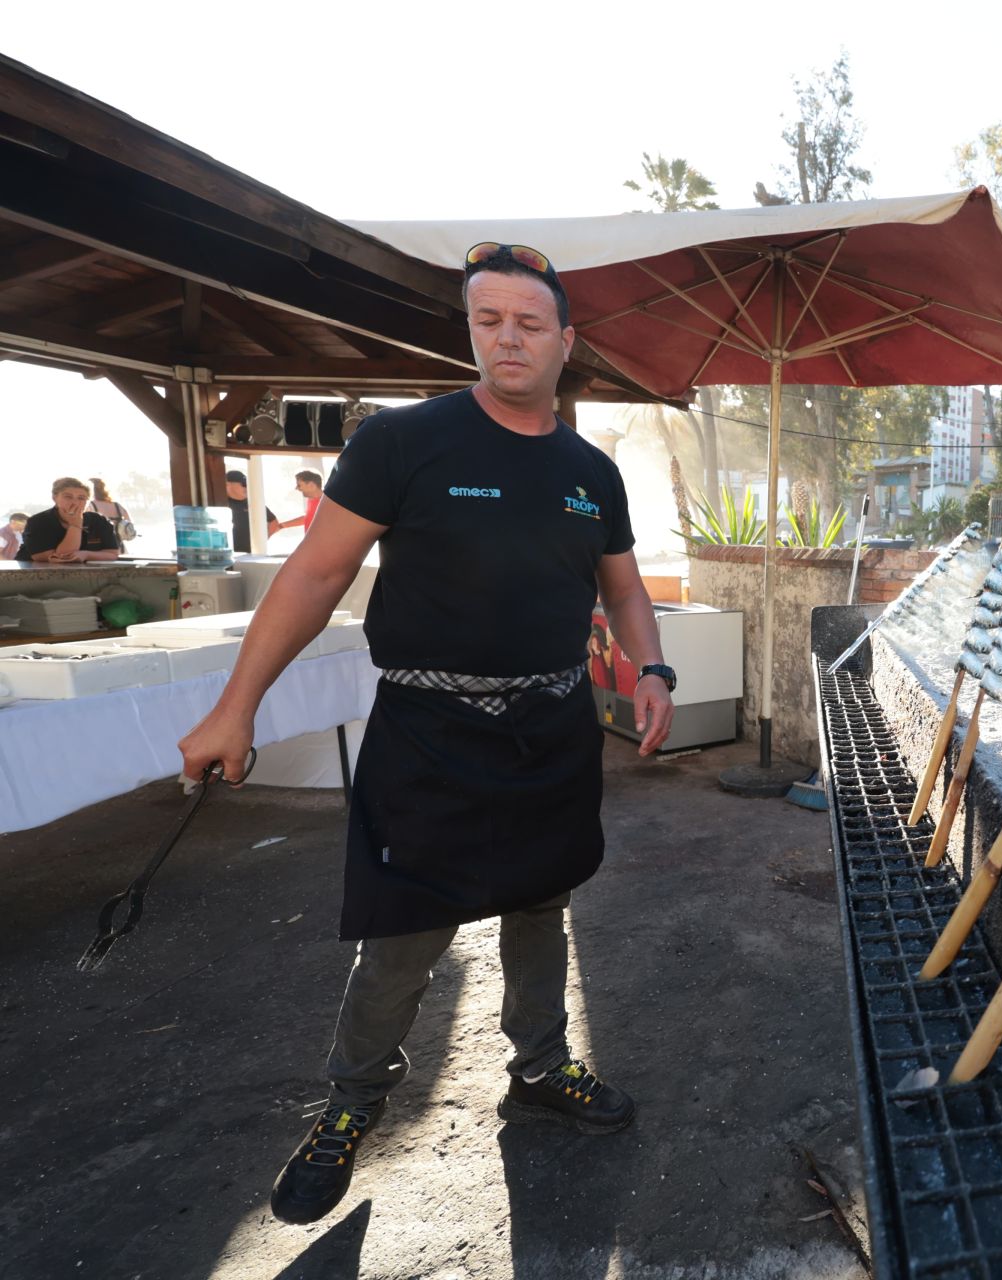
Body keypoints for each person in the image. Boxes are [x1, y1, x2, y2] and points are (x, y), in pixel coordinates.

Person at [178, 242, 677, 1227]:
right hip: (428, 726)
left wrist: (651, 667)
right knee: (405, 928)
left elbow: (623, 588)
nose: (508, 337)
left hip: (551, 727)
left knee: (541, 905)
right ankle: (354, 1098)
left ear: (566, 341)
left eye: (529, 322)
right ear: (471, 330)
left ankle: (541, 1066)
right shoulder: (403, 441)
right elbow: (315, 575)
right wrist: (237, 704)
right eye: (489, 319)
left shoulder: (591, 472)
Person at [17, 477, 121, 563]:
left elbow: (112, 553)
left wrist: (86, 554)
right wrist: (76, 525)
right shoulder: (38, 521)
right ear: (55, 498)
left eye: (81, 498)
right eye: (68, 497)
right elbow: (62, 557)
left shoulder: (98, 520)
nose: (75, 502)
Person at [225, 471, 281, 555]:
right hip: (227, 555)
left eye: (248, 484)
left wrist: (262, 540)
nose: (247, 487)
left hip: (251, 555)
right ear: (228, 484)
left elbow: (273, 522)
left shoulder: (254, 503)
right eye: (243, 484)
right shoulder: (219, 503)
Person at [87, 478, 135, 547]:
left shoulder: (90, 505)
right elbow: (129, 524)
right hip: (119, 545)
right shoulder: (117, 505)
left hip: (99, 546)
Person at [279, 469, 324, 535]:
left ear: (311, 485)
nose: (296, 488)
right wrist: (282, 526)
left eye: (299, 485)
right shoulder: (311, 500)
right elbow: (307, 518)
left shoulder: (327, 503)